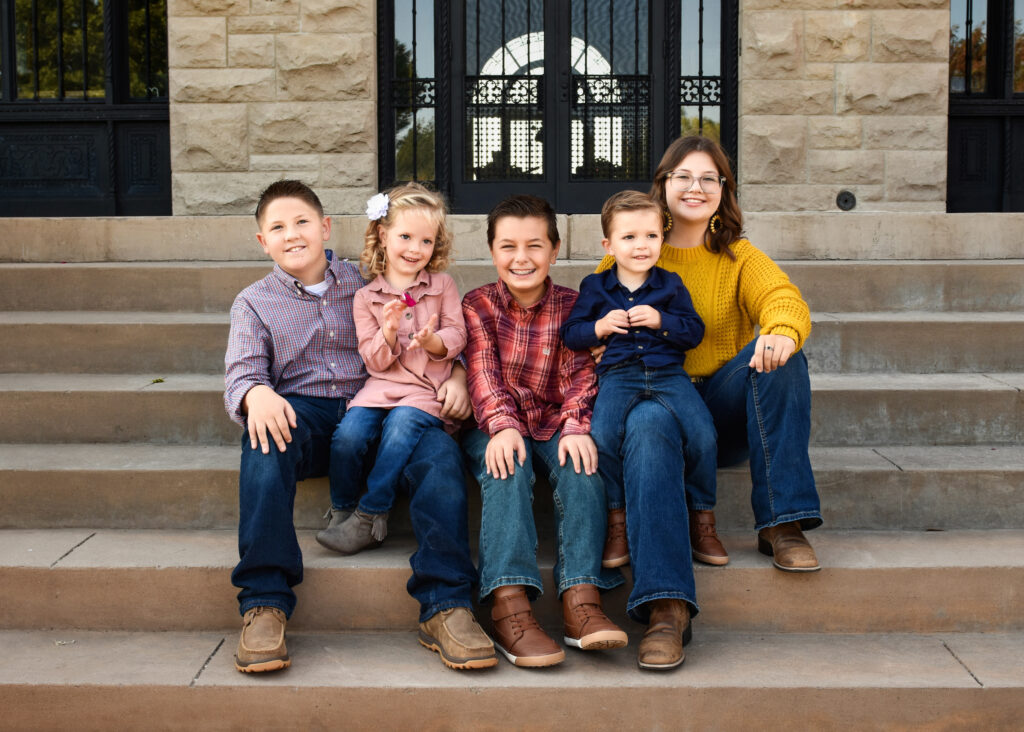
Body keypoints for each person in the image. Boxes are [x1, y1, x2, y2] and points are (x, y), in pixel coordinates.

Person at [224, 179, 496, 673]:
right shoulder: (253, 302)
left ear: (326, 227)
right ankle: (264, 601)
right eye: (278, 227)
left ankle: (447, 604)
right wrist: (255, 392)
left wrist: (456, 373)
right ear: (263, 241)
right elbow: (242, 373)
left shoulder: (367, 280)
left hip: (390, 408)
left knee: (438, 456)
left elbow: (440, 335)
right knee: (262, 438)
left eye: (303, 222)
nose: (293, 234)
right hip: (306, 414)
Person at [461, 194, 627, 668]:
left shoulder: (577, 305)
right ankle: (508, 606)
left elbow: (584, 372)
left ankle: (581, 600)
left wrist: (577, 423)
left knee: (582, 468)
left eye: (535, 246)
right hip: (492, 425)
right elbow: (482, 372)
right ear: (492, 252)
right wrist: (502, 425)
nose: (521, 258)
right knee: (507, 469)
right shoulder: (477, 305)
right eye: (508, 246)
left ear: (555, 251)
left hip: (556, 421)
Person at [561, 190, 722, 572]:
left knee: (703, 434)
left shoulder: (670, 285)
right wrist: (598, 327)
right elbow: (571, 333)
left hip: (668, 375)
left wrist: (662, 322)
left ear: (661, 240)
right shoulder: (595, 286)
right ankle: (617, 516)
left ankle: (702, 515)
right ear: (609, 244)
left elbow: (693, 331)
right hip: (618, 375)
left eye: (650, 236)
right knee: (603, 437)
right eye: (629, 237)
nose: (640, 246)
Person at [317, 183, 466, 555]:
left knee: (400, 427)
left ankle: (371, 514)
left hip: (425, 391)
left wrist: (434, 342)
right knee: (348, 435)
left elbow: (458, 333)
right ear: (383, 236)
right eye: (405, 236)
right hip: (381, 386)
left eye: (426, 241)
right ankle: (343, 508)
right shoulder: (365, 297)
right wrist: (387, 331)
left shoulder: (442, 285)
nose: (416, 249)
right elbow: (373, 359)